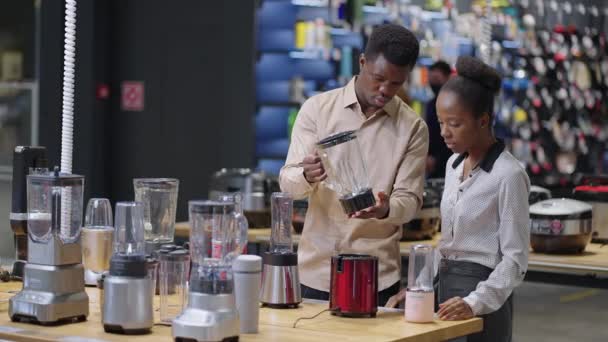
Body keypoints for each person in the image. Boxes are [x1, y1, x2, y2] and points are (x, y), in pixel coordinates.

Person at [279, 24, 428, 306]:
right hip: (316, 273)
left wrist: (386, 209)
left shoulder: (413, 128)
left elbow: (409, 201)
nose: (385, 90)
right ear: (362, 62)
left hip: (377, 275)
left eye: (396, 84)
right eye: (378, 78)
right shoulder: (317, 109)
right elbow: (288, 184)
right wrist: (307, 175)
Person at [387, 56, 530, 342]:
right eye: (440, 122)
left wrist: (474, 302)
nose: (444, 133)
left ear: (483, 121)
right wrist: (419, 287)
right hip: (445, 293)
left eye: (454, 123)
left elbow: (516, 261)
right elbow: (448, 243)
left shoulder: (508, 174)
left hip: (484, 297)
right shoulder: (453, 166)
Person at [425, 60, 453, 179]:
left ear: (448, 78)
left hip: (450, 163)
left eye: (436, 79)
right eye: (431, 79)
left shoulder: (455, 105)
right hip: (431, 167)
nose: (433, 83)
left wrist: (437, 160)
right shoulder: (431, 104)